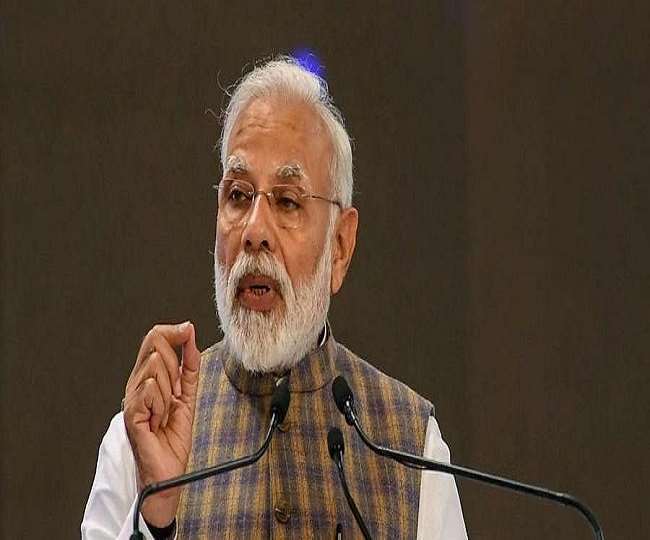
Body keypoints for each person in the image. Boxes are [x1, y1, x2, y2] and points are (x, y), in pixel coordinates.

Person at [81, 57, 468, 539]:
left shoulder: (410, 446)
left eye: (287, 201)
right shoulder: (141, 437)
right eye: (238, 196)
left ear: (340, 246)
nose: (254, 231)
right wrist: (156, 519)